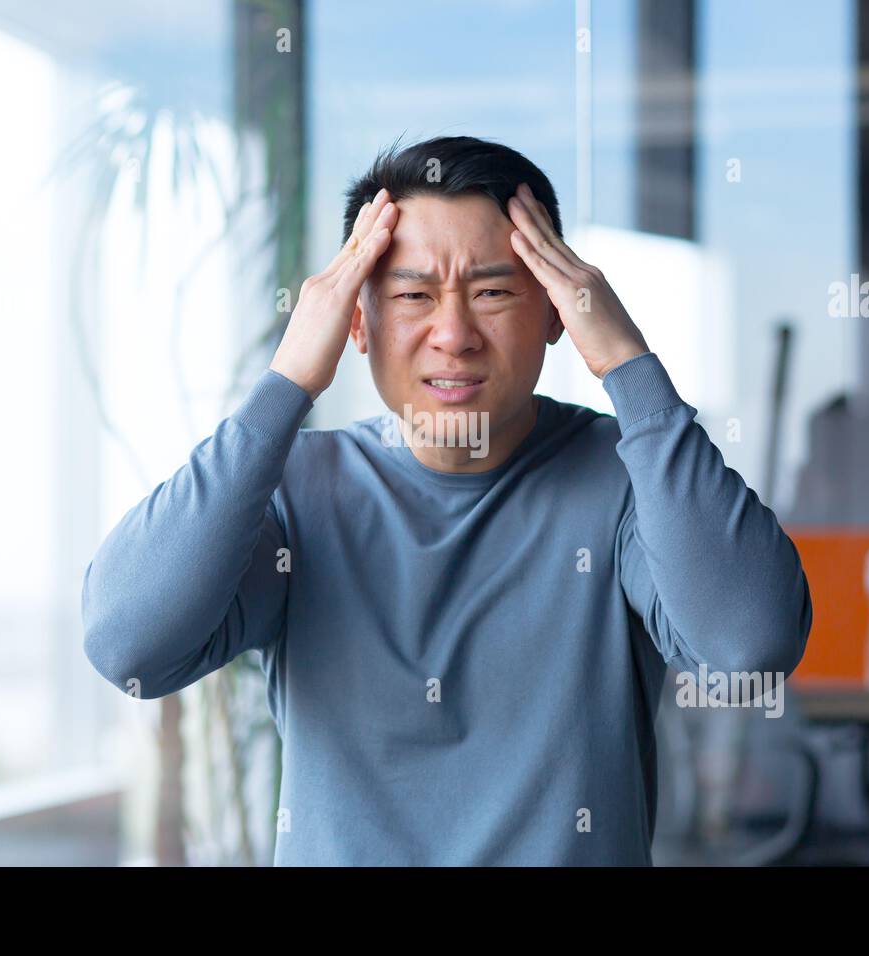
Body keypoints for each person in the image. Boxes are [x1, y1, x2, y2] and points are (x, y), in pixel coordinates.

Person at [81, 135, 814, 865]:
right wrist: (286, 384)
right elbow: (128, 643)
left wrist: (628, 364)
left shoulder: (625, 483)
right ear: (356, 322)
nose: (455, 335)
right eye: (413, 296)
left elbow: (749, 648)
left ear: (558, 312)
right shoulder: (296, 492)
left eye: (493, 292)